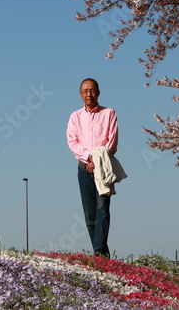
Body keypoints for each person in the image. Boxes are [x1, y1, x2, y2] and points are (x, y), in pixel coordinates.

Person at [66, 78, 118, 258]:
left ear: (98, 92)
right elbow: (72, 141)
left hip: (103, 167)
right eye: (85, 91)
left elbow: (112, 141)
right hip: (84, 168)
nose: (89, 94)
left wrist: (97, 160)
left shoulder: (109, 113)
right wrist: (88, 158)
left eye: (92, 90)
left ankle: (98, 250)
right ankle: (101, 251)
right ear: (80, 94)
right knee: (89, 214)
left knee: (103, 208)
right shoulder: (75, 117)